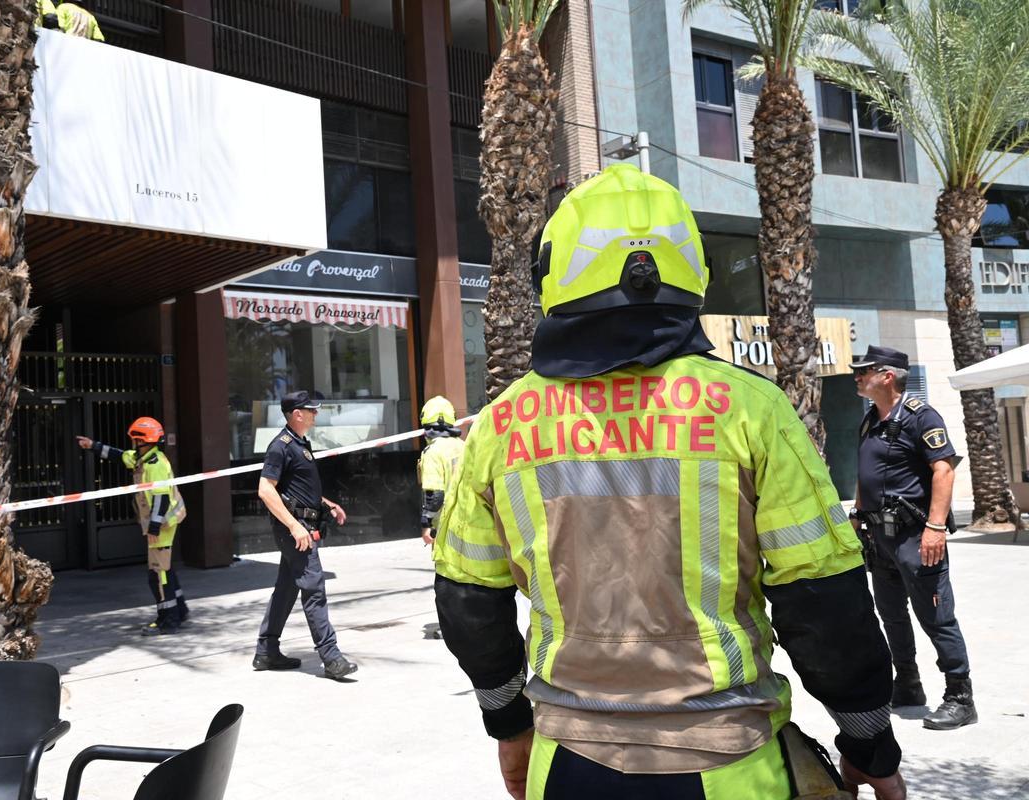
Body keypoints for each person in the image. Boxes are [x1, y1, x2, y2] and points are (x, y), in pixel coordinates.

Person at [432, 164, 905, 800]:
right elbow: (823, 600)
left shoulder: (499, 425)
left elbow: (469, 601)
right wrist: (867, 741)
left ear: (556, 270)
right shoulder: (753, 409)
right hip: (730, 763)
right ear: (690, 269)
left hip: (567, 762)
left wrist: (508, 723)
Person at [851, 345, 976, 731]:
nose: (857, 376)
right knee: (891, 615)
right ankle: (907, 683)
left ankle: (960, 697)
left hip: (915, 537)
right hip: (880, 538)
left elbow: (944, 471)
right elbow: (865, 473)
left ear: (887, 376)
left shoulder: (921, 417)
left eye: (864, 371)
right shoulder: (870, 420)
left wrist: (935, 528)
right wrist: (857, 516)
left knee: (937, 618)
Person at [254, 390, 357, 681]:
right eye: (311, 411)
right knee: (314, 589)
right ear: (297, 414)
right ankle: (332, 658)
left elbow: (299, 490)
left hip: (301, 526)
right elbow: (265, 490)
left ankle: (266, 651)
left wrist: (327, 504)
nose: (315, 415)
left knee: (286, 590)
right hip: (296, 531)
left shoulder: (301, 444)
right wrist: (294, 526)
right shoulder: (281, 446)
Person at [77, 416, 189, 636]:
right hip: (163, 522)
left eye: (134, 440)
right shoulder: (143, 458)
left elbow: (161, 498)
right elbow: (120, 456)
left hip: (163, 523)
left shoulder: (155, 464)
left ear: (141, 440)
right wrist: (93, 446)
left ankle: (168, 620)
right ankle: (180, 610)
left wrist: (155, 527)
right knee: (165, 569)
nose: (132, 444)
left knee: (158, 573)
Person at [418, 396, 466, 547]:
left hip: (447, 526)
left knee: (445, 569)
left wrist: (426, 524)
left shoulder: (432, 452)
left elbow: (435, 495)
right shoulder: (464, 446)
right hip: (471, 519)